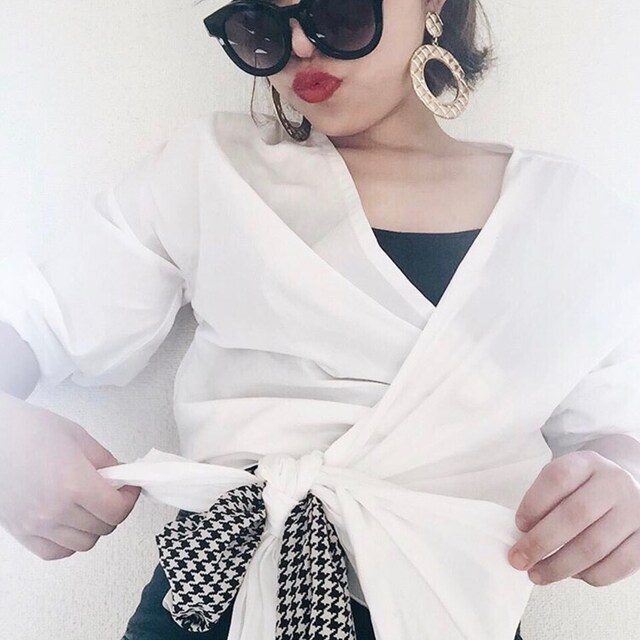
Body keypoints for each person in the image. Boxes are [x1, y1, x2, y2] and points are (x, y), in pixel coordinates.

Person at [1, 0, 639, 638]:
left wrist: (622, 493)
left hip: (451, 610)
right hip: (221, 600)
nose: (301, 46)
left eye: (338, 12)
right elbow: (35, 317)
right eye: (261, 29)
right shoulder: (209, 168)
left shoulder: (571, 217)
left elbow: (618, 428)